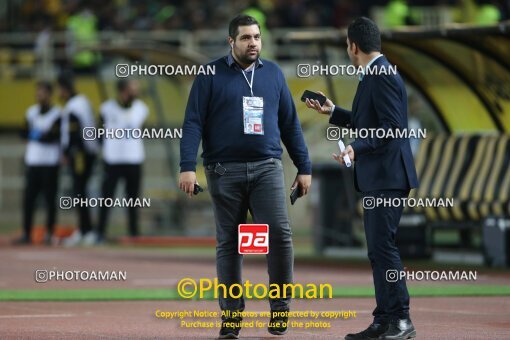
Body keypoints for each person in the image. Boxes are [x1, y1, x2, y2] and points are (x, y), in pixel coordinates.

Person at [179, 14, 312, 339]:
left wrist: (304, 166)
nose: (253, 43)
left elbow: (291, 123)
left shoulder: (274, 74)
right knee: (231, 243)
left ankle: (280, 309)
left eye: (256, 37)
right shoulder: (209, 74)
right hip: (223, 171)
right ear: (231, 42)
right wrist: (187, 165)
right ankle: (232, 318)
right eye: (245, 38)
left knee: (279, 236)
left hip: (267, 167)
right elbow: (193, 122)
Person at [306, 17, 418, 340]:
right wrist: (333, 112)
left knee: (384, 248)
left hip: (388, 175)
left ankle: (401, 320)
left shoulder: (381, 76)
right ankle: (384, 320)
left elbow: (391, 129)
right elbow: (368, 121)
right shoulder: (374, 74)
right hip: (380, 176)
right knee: (378, 250)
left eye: (346, 44)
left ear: (353, 46)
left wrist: (355, 148)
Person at [96, 79, 148, 243]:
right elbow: (98, 133)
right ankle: (100, 233)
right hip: (112, 160)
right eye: (133, 88)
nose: (136, 91)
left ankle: (134, 234)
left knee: (133, 199)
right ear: (124, 90)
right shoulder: (106, 108)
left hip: (134, 159)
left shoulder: (141, 108)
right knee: (106, 197)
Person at [15, 81, 61, 245]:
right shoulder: (31, 112)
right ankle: (27, 233)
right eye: (38, 92)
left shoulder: (57, 113)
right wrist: (39, 135)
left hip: (50, 163)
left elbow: (52, 137)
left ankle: (49, 233)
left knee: (50, 200)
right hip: (33, 162)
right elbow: (22, 133)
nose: (39, 95)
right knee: (29, 200)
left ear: (49, 94)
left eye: (42, 92)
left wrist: (34, 135)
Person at [58, 73, 98, 246]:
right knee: (81, 192)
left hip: (81, 153)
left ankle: (86, 230)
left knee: (79, 191)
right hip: (88, 151)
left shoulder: (73, 106)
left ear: (65, 89)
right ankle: (85, 229)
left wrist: (67, 152)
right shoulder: (83, 101)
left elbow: (75, 133)